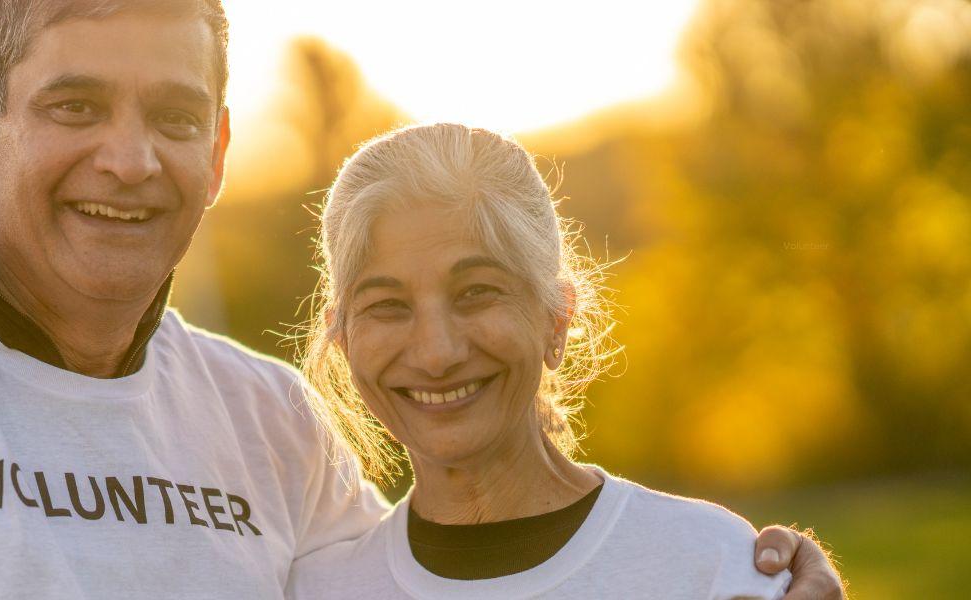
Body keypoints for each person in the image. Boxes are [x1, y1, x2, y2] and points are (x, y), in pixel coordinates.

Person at [0, 1, 843, 598]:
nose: (130, 161)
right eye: (77, 107)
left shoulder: (273, 423)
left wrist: (728, 574)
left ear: (222, 151)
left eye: (174, 119)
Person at [286, 123, 833, 599]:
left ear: (556, 317)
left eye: (476, 292)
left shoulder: (711, 562)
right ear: (342, 336)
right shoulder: (313, 592)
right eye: (387, 306)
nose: (437, 353)